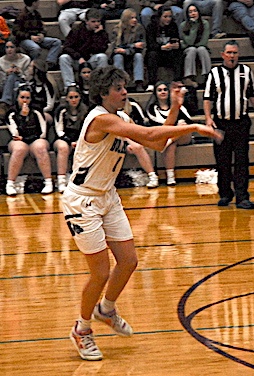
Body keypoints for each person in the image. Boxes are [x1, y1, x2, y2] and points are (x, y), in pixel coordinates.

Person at [63, 66, 221, 361]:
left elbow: (158, 142)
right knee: (100, 272)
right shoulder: (101, 119)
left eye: (124, 87)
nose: (125, 92)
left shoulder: (120, 117)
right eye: (118, 88)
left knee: (129, 261)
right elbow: (149, 132)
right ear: (102, 92)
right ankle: (81, 329)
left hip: (107, 197)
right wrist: (194, 127)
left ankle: (106, 310)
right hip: (82, 201)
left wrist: (174, 109)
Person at [203, 40, 254, 209]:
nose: (232, 56)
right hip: (221, 124)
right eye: (229, 52)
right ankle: (225, 194)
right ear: (223, 54)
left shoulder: (246, 71)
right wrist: (208, 119)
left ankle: (242, 197)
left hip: (241, 123)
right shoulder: (214, 73)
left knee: (241, 161)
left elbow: (253, 94)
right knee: (222, 161)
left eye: (235, 53)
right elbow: (208, 98)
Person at [5, 84, 54, 196]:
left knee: (40, 147)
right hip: (20, 141)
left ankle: (48, 182)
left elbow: (42, 133)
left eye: (27, 98)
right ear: (17, 98)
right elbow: (16, 134)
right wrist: (22, 116)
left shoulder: (37, 110)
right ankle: (10, 183)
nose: (25, 101)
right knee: (19, 148)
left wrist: (27, 137)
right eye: (22, 97)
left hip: (36, 139)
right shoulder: (11, 113)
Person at [146, 81, 194, 185]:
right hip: (164, 137)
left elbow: (189, 121)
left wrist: (178, 124)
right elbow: (160, 126)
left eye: (165, 89)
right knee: (171, 144)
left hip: (182, 137)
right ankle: (170, 176)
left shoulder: (177, 105)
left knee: (183, 125)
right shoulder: (152, 108)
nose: (162, 92)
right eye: (159, 90)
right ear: (155, 93)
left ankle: (168, 142)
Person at [58, 8, 109, 91]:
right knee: (64, 58)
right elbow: (66, 47)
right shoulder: (77, 30)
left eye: (98, 21)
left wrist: (97, 35)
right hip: (77, 60)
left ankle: (100, 85)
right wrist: (78, 57)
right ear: (86, 21)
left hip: (91, 60)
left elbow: (101, 49)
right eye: (93, 21)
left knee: (102, 57)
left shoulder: (101, 33)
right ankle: (70, 86)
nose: (96, 24)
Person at [53, 85, 88, 193]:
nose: (73, 100)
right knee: (63, 147)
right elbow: (59, 130)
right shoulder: (61, 110)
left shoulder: (85, 110)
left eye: (76, 97)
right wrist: (70, 141)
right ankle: (61, 180)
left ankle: (83, 180)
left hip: (79, 139)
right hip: (63, 138)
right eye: (71, 97)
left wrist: (78, 141)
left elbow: (86, 130)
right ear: (66, 98)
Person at [13, 0, 62, 70]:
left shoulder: (37, 14)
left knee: (56, 42)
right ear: (34, 3)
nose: (39, 3)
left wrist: (42, 34)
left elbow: (42, 27)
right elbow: (16, 31)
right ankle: (35, 66)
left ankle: (50, 62)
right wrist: (30, 37)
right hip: (25, 39)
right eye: (38, 2)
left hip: (37, 37)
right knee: (35, 48)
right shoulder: (21, 15)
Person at [122, 97, 160, 188]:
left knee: (137, 147)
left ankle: (152, 176)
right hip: (114, 139)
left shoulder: (132, 107)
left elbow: (137, 127)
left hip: (132, 137)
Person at [107, 8, 146, 92]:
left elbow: (141, 46)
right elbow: (115, 48)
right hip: (120, 56)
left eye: (135, 17)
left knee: (138, 56)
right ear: (126, 19)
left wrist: (126, 50)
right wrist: (132, 46)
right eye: (131, 18)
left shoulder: (139, 29)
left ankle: (139, 83)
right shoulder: (116, 30)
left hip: (134, 55)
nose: (135, 20)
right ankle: (120, 82)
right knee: (118, 57)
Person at [145, 5, 183, 90]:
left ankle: (178, 80)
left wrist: (176, 45)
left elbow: (176, 39)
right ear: (159, 17)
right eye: (165, 17)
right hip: (158, 53)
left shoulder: (173, 26)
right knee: (152, 54)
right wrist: (162, 47)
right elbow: (150, 45)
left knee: (179, 53)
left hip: (169, 54)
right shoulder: (151, 27)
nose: (168, 19)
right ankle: (151, 83)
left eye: (169, 16)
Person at [180, 3, 211, 88]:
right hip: (187, 49)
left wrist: (194, 44)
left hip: (201, 48)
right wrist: (193, 27)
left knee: (201, 49)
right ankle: (188, 77)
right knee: (192, 49)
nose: (193, 13)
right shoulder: (183, 25)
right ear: (187, 14)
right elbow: (189, 42)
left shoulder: (205, 24)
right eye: (190, 12)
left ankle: (208, 76)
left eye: (195, 11)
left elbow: (204, 41)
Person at [0, 38, 31, 120]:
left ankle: (5, 104)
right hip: (5, 86)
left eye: (12, 47)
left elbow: (28, 78)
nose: (9, 50)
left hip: (22, 84)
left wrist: (19, 72)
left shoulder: (25, 59)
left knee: (15, 79)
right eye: (7, 47)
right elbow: (1, 82)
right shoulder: (1, 61)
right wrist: (6, 74)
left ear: (17, 48)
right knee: (12, 78)